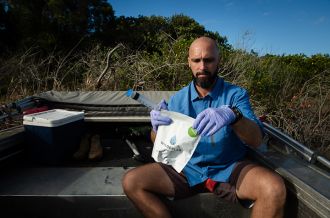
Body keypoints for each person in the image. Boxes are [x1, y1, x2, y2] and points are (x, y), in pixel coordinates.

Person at [122, 36, 286, 218]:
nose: (202, 67)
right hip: (186, 169)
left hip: (229, 167)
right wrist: (156, 129)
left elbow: (256, 140)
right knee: (132, 181)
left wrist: (234, 116)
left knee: (273, 189)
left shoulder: (236, 95)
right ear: (189, 63)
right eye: (196, 60)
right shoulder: (177, 99)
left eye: (208, 60)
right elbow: (161, 143)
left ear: (218, 61)